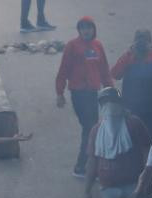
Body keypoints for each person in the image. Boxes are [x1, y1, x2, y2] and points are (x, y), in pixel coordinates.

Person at [56, 16, 114, 178]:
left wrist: (112, 91)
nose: (86, 30)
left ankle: (88, 165)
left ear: (93, 29)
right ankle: (81, 166)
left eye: (89, 27)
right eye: (83, 28)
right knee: (90, 128)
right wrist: (59, 93)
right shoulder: (72, 46)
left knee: (91, 129)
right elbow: (63, 70)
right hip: (79, 93)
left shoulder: (97, 46)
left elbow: (104, 70)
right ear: (79, 30)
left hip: (92, 93)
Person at [111, 30, 152, 137]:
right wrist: (128, 54)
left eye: (145, 41)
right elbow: (115, 74)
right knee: (131, 137)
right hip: (132, 106)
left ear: (150, 43)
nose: (141, 44)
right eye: (139, 40)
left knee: (151, 135)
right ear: (134, 42)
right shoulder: (128, 57)